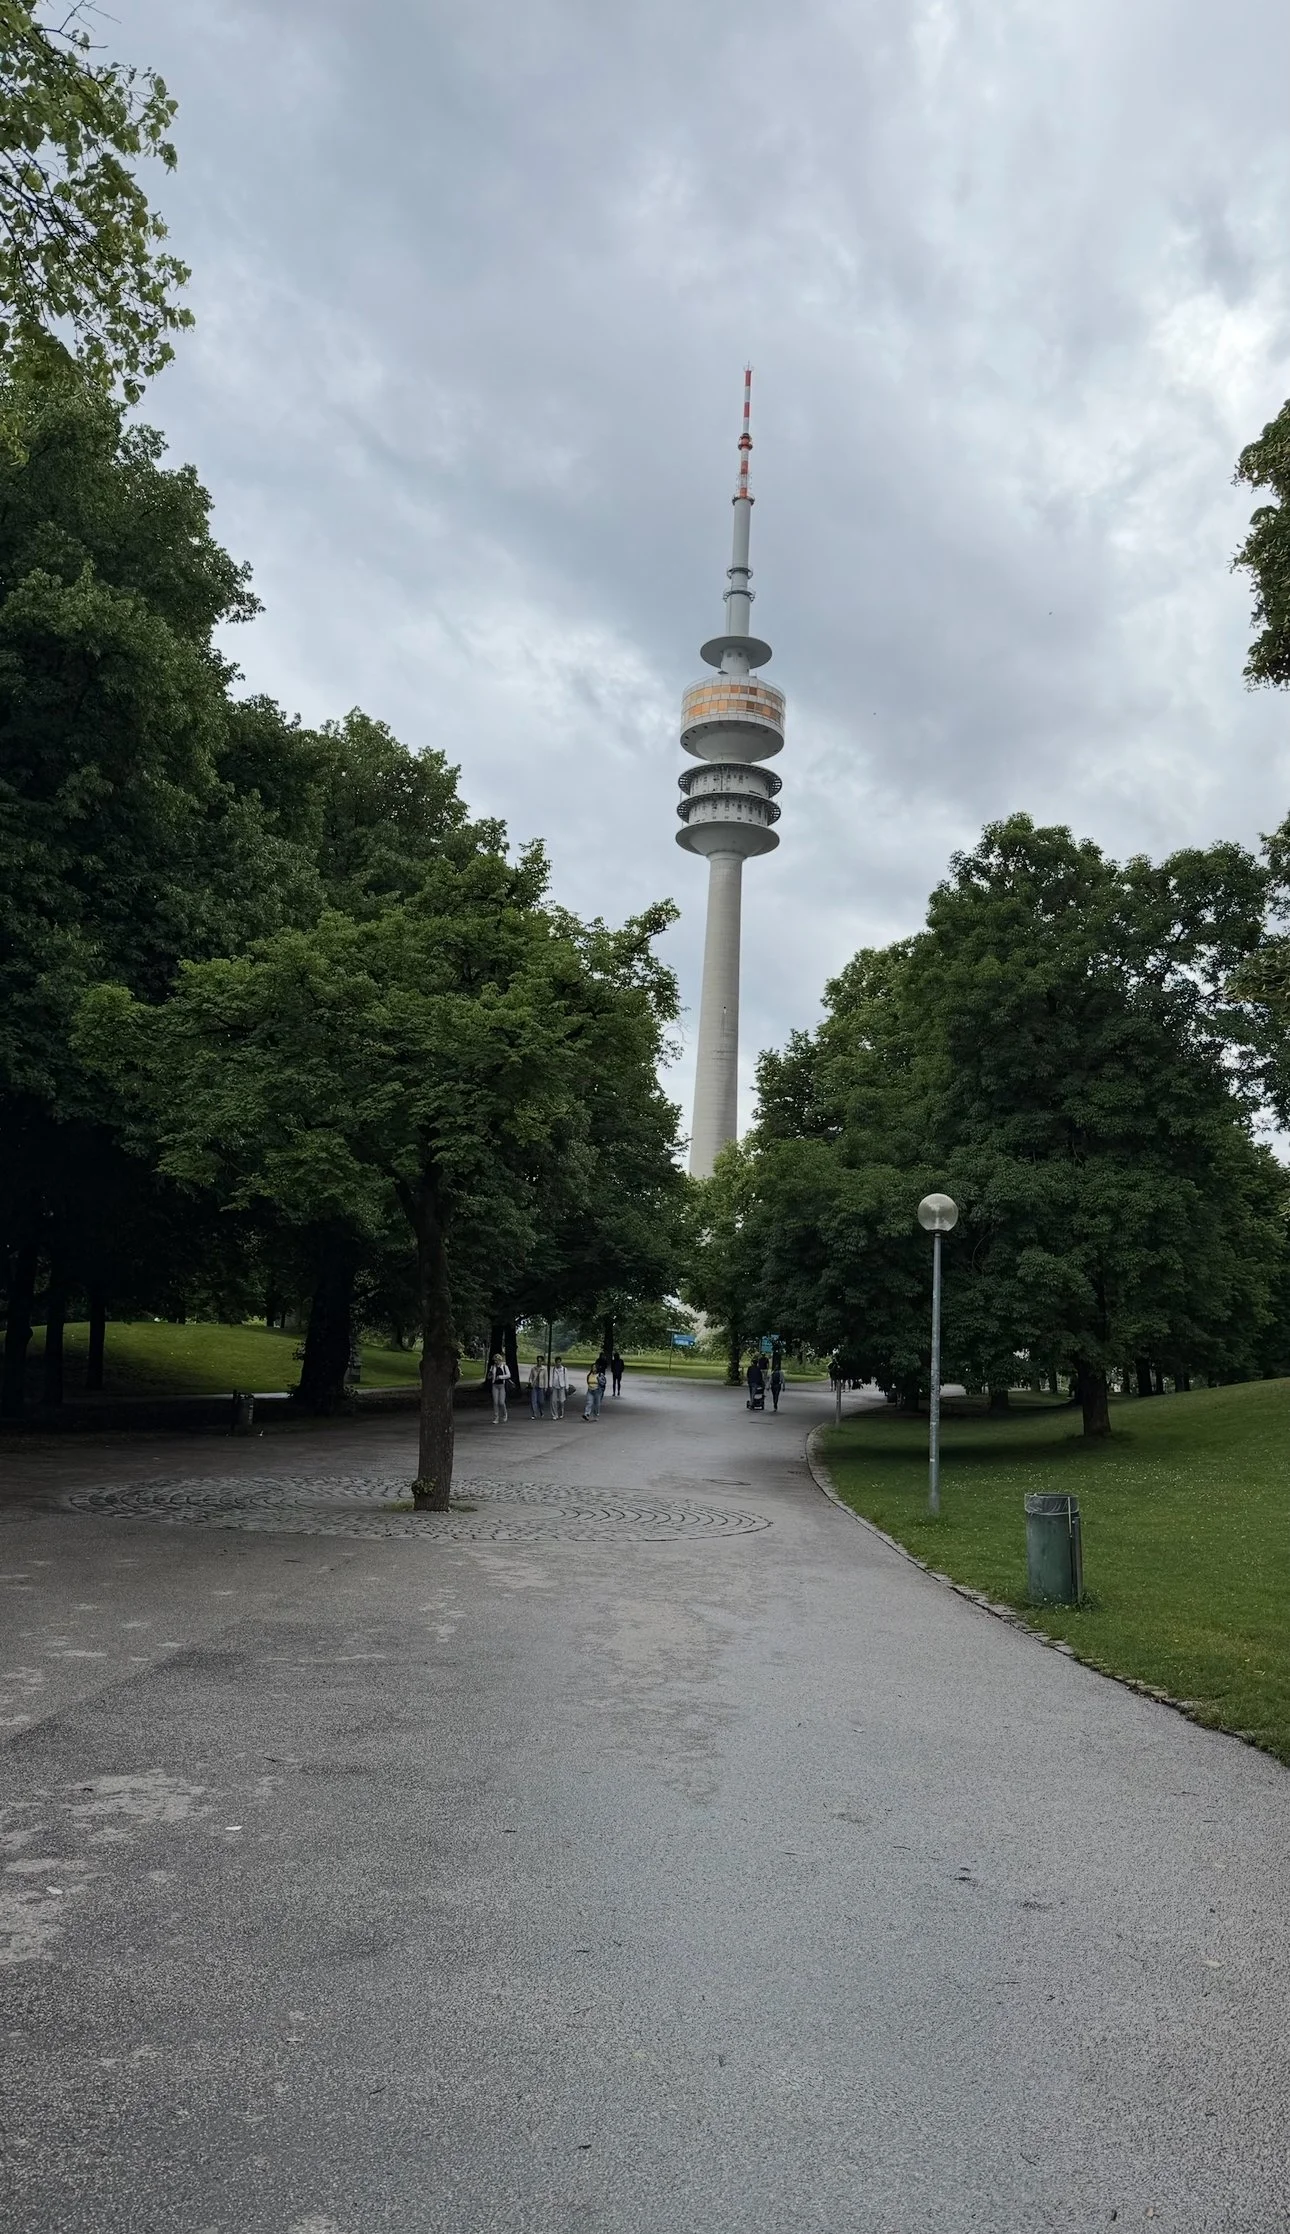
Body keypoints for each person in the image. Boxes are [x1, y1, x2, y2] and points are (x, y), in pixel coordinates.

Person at [487, 1351, 510, 1424]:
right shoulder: (493, 1367)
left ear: (500, 1360)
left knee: (501, 1402)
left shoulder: (504, 1367)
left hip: (502, 1386)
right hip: (495, 1386)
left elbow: (509, 1375)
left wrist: (500, 1377)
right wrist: (490, 1375)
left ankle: (504, 1414)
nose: (496, 1362)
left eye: (497, 1360)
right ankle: (496, 1417)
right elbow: (489, 1377)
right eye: (495, 1360)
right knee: (495, 1402)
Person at [549, 1355, 569, 1420]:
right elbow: (551, 1378)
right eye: (557, 1362)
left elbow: (566, 1378)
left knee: (561, 1401)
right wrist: (550, 1386)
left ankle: (561, 1413)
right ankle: (555, 1414)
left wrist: (567, 1387)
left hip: (561, 1386)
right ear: (555, 1362)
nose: (558, 1363)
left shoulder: (564, 1369)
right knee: (553, 1401)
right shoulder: (553, 1369)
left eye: (559, 1362)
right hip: (554, 1386)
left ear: (561, 1362)